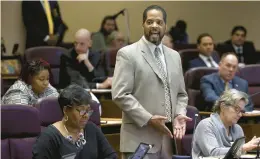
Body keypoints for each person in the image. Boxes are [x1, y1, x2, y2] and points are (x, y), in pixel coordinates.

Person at [112, 5, 191, 159]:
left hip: (168, 138)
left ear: (165, 26)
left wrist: (180, 113)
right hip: (139, 139)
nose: (154, 26)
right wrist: (148, 119)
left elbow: (181, 94)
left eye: (159, 22)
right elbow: (120, 94)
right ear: (143, 25)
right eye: (150, 22)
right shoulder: (128, 54)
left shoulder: (174, 56)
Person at [32, 84, 117, 159]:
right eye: (81, 110)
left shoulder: (92, 129)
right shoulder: (49, 137)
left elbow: (111, 156)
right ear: (66, 110)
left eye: (88, 110)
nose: (86, 115)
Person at [192, 89, 260, 159]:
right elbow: (213, 153)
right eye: (236, 109)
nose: (240, 115)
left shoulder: (238, 129)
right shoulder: (206, 125)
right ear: (223, 106)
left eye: (241, 111)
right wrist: (242, 148)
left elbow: (240, 154)